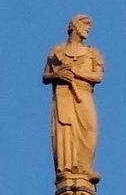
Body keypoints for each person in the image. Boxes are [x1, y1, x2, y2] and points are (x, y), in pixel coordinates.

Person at [44, 15, 104, 180]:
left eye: (89, 27)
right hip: (64, 95)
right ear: (74, 26)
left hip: (83, 94)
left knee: (90, 130)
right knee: (66, 130)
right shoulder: (57, 52)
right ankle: (67, 169)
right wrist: (59, 74)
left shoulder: (93, 53)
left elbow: (97, 76)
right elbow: (45, 76)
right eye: (84, 25)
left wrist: (76, 73)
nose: (87, 29)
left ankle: (85, 168)